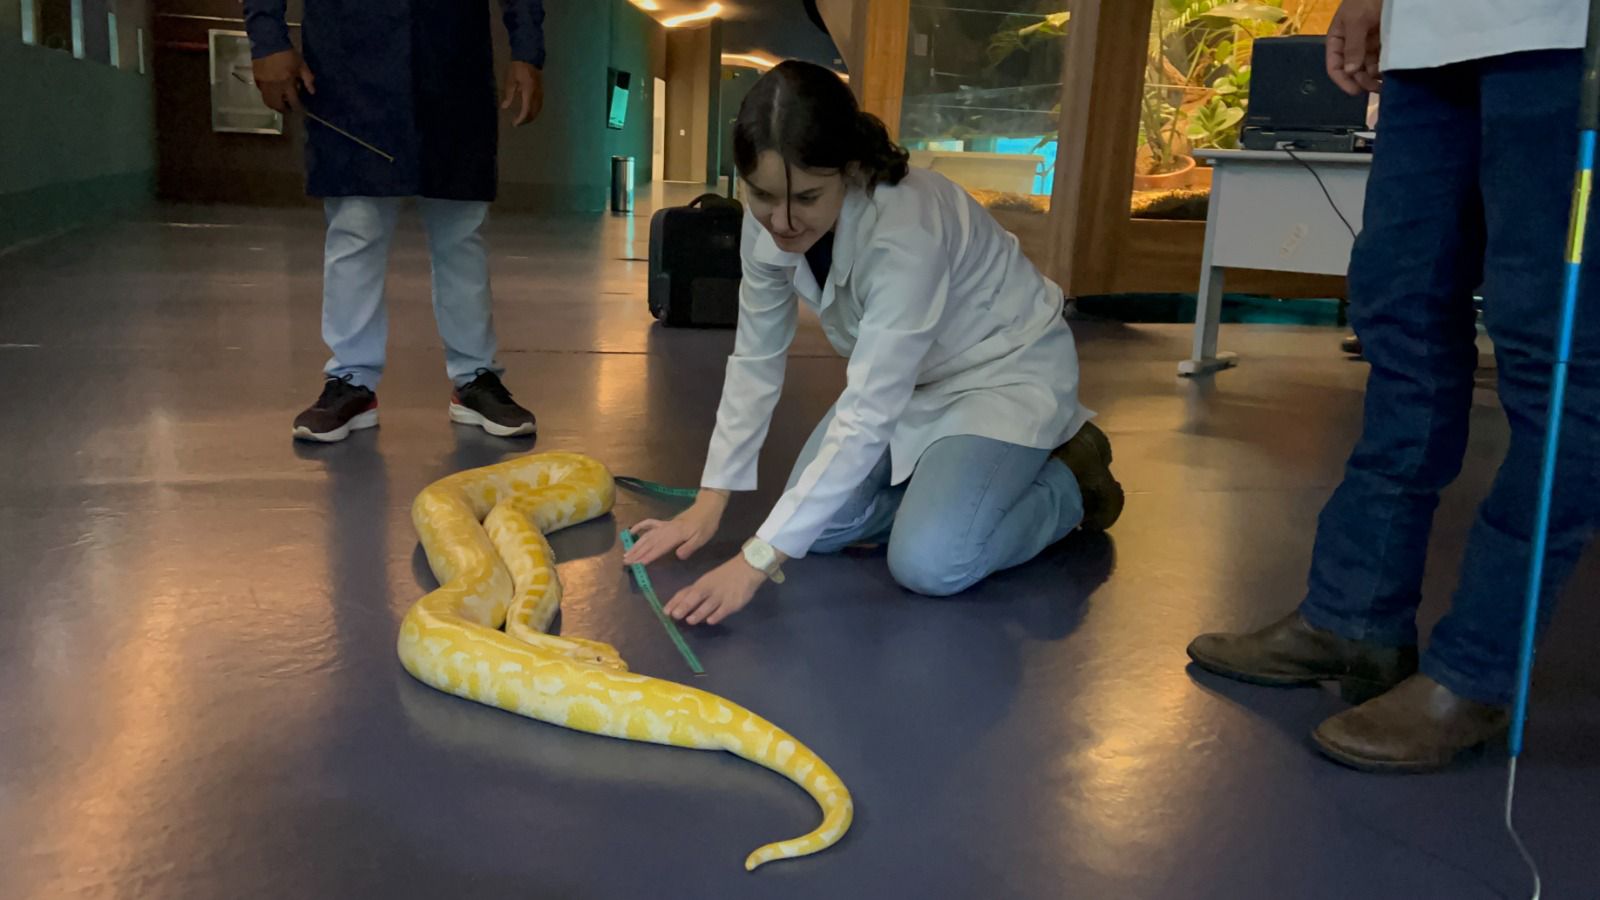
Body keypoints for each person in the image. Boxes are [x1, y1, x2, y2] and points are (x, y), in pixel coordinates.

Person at [1188, 0, 1600, 772]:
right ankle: (1353, 618)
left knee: (1557, 351)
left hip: (1564, 39)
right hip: (1430, 44)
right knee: (1400, 316)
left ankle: (1475, 670)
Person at [622, 61, 1124, 626]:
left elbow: (867, 412)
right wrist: (708, 503)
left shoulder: (906, 226)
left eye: (808, 197)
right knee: (820, 529)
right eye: (762, 194)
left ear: (851, 169)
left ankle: (1069, 481)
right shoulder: (765, 227)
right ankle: (946, 498)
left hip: (1000, 373)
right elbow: (755, 363)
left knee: (931, 564)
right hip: (909, 378)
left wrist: (755, 560)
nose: (782, 221)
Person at [242, 0, 545, 441]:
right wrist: (267, 38)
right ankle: (351, 380)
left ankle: (476, 377)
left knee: (460, 225)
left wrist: (527, 47)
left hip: (451, 56)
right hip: (350, 56)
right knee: (356, 223)